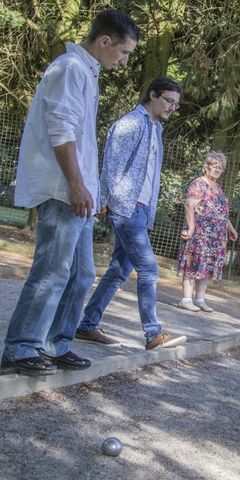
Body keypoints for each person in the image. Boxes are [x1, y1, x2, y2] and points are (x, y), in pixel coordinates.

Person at [0, 10, 139, 376]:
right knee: (52, 270)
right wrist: (77, 185)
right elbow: (61, 131)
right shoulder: (69, 69)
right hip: (64, 189)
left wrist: (91, 190)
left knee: (80, 272)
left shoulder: (86, 73)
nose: (124, 62)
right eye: (123, 53)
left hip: (81, 192)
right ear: (105, 41)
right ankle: (19, 348)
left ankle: (54, 343)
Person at [74, 77, 187, 350]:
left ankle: (87, 326)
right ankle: (153, 333)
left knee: (118, 271)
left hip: (141, 208)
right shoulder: (131, 123)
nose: (172, 107)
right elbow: (111, 166)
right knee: (148, 268)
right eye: (168, 101)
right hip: (126, 207)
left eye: (176, 104)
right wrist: (103, 199)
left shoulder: (155, 128)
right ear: (152, 95)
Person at [176, 152, 238, 312]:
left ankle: (200, 299)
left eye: (221, 167)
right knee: (193, 264)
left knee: (206, 267)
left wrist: (230, 228)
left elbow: (221, 212)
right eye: (215, 166)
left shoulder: (218, 188)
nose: (218, 169)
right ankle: (186, 299)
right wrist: (190, 228)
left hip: (216, 237)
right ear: (206, 166)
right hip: (199, 234)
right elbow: (189, 206)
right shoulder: (198, 184)